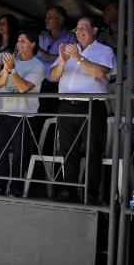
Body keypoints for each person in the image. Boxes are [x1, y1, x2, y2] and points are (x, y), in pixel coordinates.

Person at [49, 16, 115, 204]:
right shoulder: (70, 49)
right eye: (77, 29)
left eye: (83, 28)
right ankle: (68, 191)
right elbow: (53, 77)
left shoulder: (104, 50)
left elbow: (101, 72)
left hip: (92, 105)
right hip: (66, 106)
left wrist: (78, 59)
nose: (79, 32)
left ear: (94, 30)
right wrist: (62, 61)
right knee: (68, 151)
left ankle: (90, 194)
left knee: (93, 151)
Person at [0, 30, 44, 196]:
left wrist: (12, 71)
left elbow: (24, 88)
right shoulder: (13, 61)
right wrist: (6, 71)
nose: (19, 44)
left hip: (24, 115)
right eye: (18, 41)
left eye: (23, 41)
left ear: (33, 44)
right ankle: (0, 185)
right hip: (6, 113)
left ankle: (16, 188)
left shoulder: (38, 65)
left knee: (20, 153)